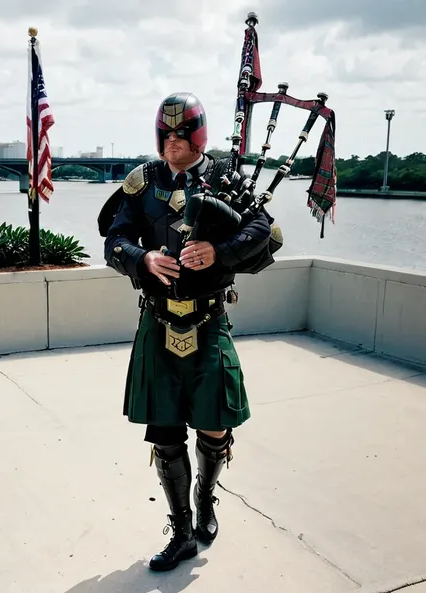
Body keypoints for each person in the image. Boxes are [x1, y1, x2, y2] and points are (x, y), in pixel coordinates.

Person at [98, 92, 277, 571]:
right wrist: (142, 258)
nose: (172, 143)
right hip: (157, 320)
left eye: (181, 135)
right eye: (166, 135)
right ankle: (180, 531)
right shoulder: (143, 181)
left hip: (209, 317)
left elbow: (264, 233)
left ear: (197, 135)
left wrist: (220, 253)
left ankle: (205, 501)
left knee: (214, 424)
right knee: (165, 430)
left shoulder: (226, 179)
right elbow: (114, 239)